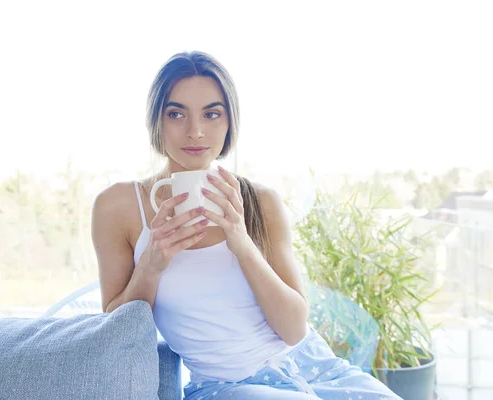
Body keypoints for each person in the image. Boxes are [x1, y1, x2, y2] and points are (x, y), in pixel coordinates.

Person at [91, 51, 401, 400]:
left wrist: (240, 240)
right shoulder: (119, 207)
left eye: (212, 114)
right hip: (226, 387)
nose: (195, 131)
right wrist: (150, 266)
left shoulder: (261, 202)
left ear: (229, 123)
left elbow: (294, 328)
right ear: (156, 121)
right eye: (176, 113)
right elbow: (115, 330)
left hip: (317, 370)